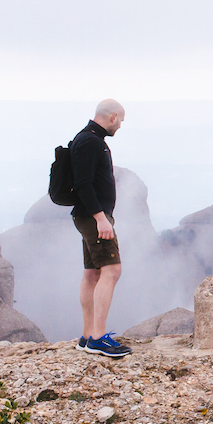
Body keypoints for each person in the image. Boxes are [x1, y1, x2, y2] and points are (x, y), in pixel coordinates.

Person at [70, 99, 130, 358]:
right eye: (121, 122)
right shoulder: (91, 142)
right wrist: (100, 218)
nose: (120, 127)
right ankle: (98, 338)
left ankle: (87, 336)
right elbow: (82, 184)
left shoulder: (88, 138)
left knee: (92, 273)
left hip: (90, 217)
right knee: (112, 270)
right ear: (113, 117)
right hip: (94, 218)